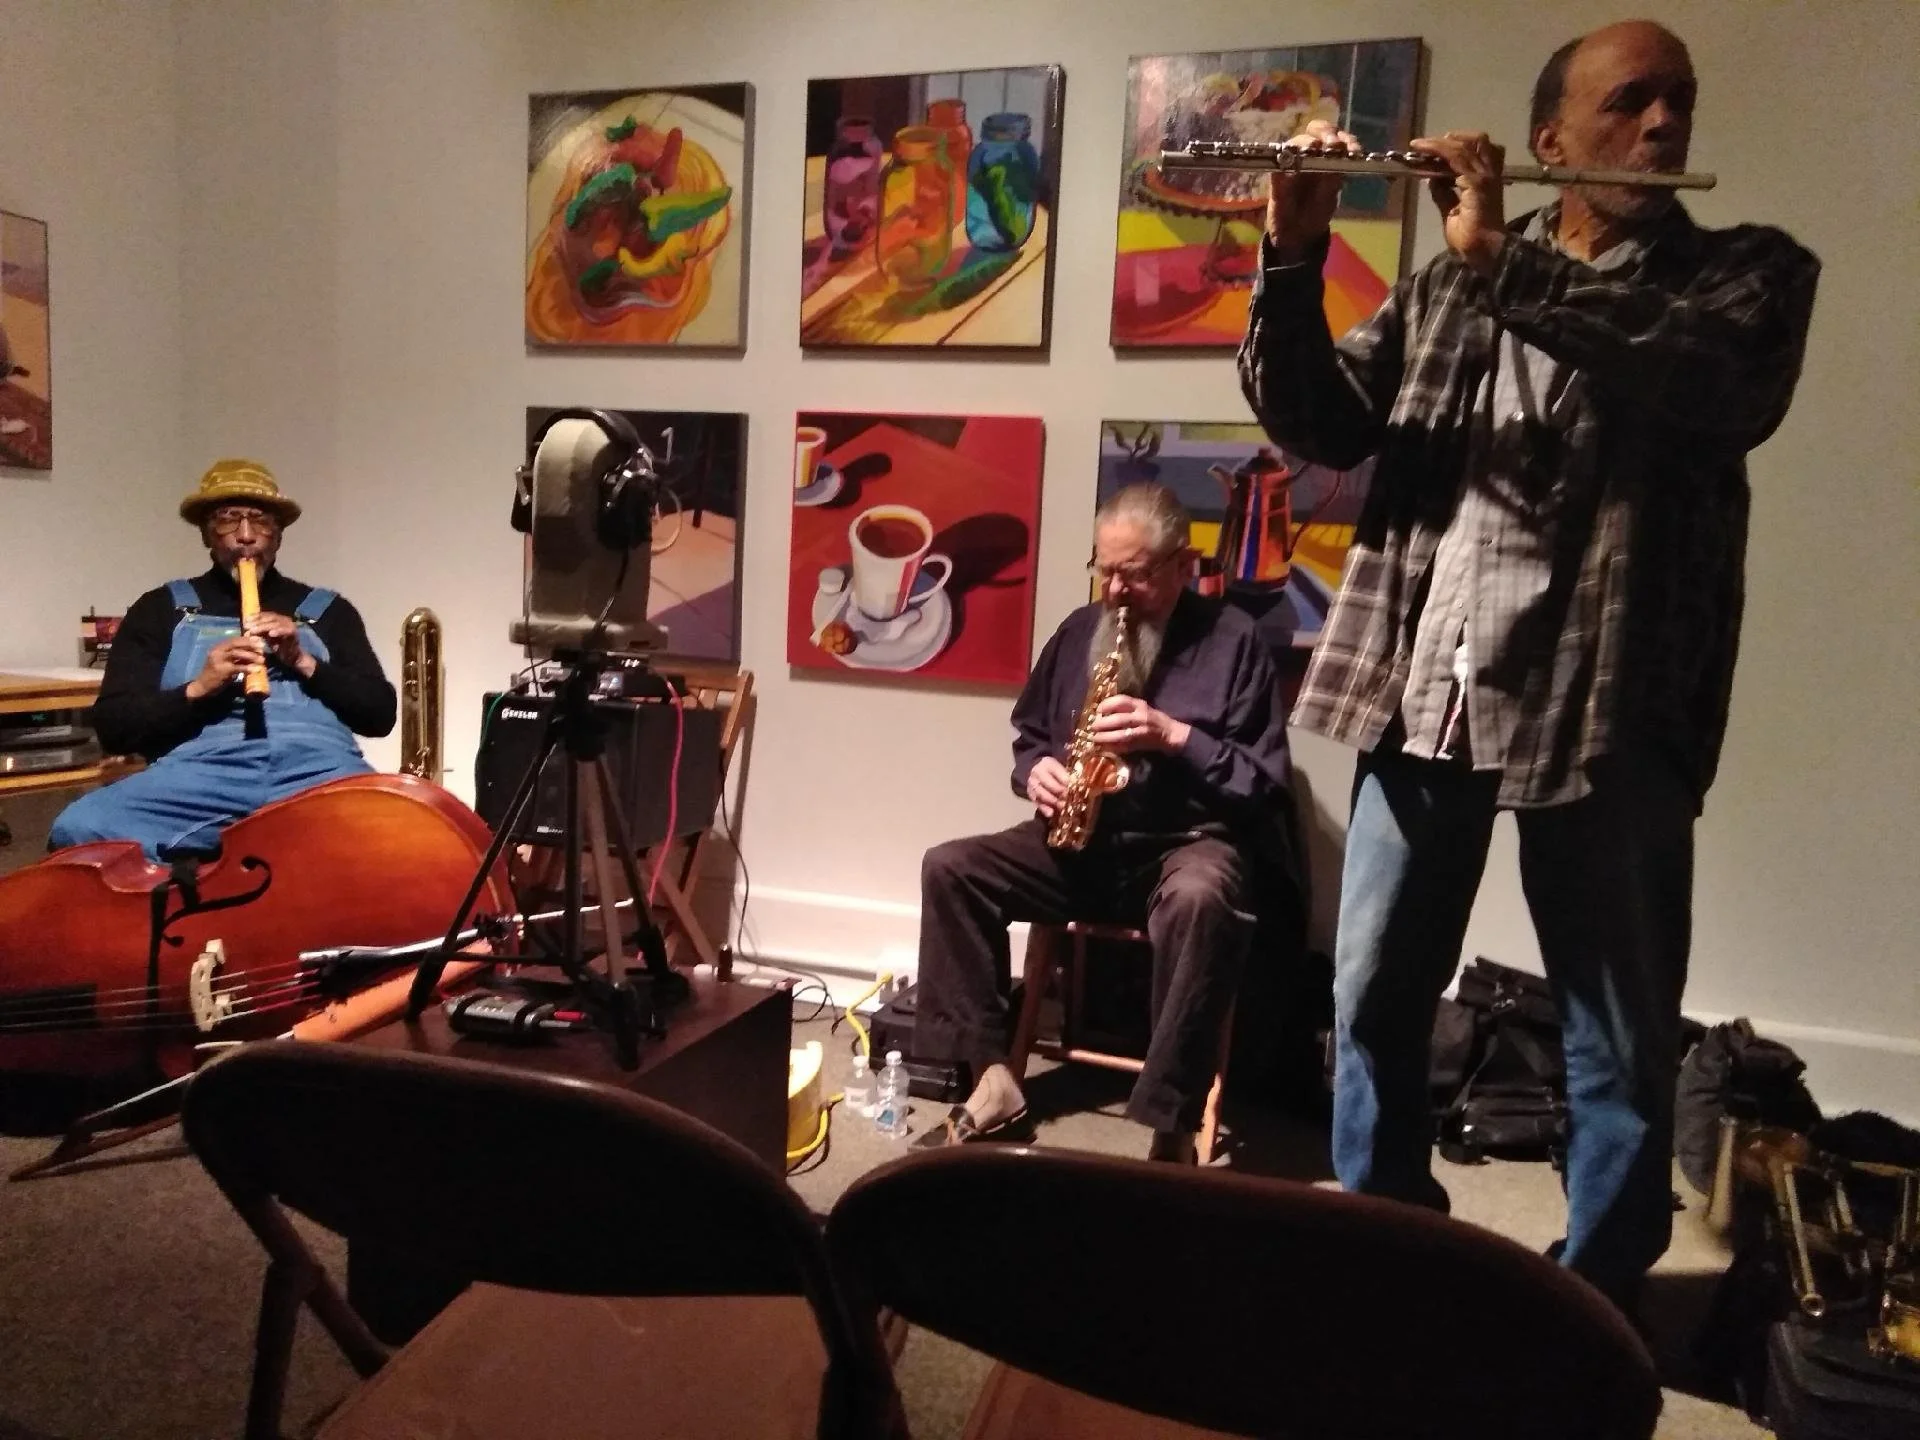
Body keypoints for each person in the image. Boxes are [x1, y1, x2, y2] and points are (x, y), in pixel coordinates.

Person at [1238, 21, 1819, 1308]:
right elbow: (1322, 421)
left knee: (1616, 1028)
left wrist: (1504, 259)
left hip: (1604, 702)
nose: (1663, 124)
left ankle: (1597, 1293)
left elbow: (1720, 385)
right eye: (1629, 103)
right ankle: (1386, 1244)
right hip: (1429, 683)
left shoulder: (1743, 274)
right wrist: (1290, 251)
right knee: (1376, 993)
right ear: (1551, 140)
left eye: (1680, 99)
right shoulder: (1448, 284)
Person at [911, 481, 1301, 1164]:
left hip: (1188, 844)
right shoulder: (1077, 632)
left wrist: (1175, 735)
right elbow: (1031, 735)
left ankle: (1171, 1123)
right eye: (1106, 570)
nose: (1116, 592)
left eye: (1137, 574)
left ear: (1184, 565)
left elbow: (1264, 783)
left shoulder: (1234, 641)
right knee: (952, 867)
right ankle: (991, 1079)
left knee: (1202, 898)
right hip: (1082, 843)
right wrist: (1035, 772)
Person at [50, 460, 396, 859]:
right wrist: (199, 687)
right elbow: (114, 728)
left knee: (403, 836)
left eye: (260, 521)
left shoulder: (328, 610)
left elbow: (380, 716)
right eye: (228, 521)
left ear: (279, 534)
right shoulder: (162, 608)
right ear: (206, 534)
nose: (246, 537)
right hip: (201, 777)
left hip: (319, 772)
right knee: (80, 829)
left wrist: (303, 661)